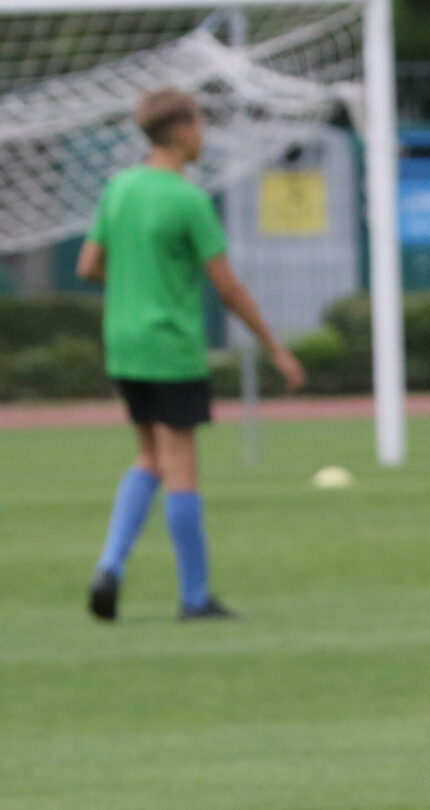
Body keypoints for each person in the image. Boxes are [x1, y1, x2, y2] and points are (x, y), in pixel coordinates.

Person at [80, 87, 305, 624]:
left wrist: (133, 288)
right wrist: (275, 347)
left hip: (125, 344)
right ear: (181, 133)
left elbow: (89, 265)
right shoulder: (188, 199)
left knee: (148, 457)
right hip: (172, 347)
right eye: (200, 125)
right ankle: (195, 597)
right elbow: (227, 288)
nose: (203, 135)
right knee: (181, 466)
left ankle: (110, 565)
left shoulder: (119, 189)